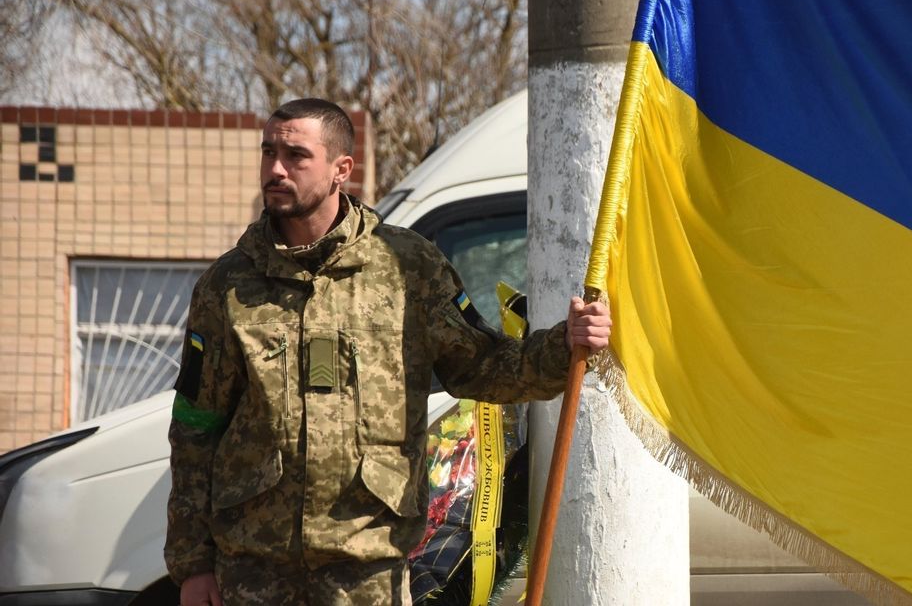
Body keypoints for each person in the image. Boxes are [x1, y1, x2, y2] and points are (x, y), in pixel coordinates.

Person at [165, 98, 612, 606]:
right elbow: (196, 428)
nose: (275, 169)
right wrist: (193, 564)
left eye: (295, 155)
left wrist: (566, 343)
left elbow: (484, 367)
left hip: (368, 569)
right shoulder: (227, 284)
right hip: (253, 570)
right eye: (268, 152)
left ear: (342, 170)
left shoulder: (407, 267)